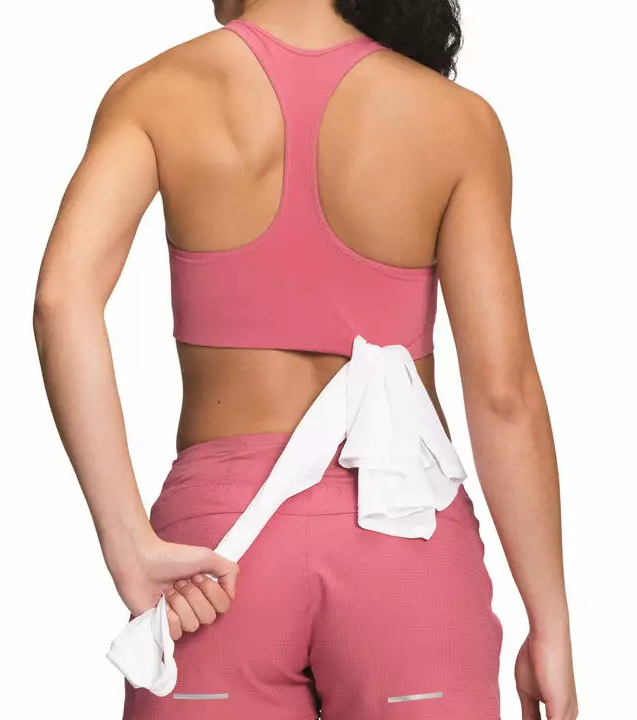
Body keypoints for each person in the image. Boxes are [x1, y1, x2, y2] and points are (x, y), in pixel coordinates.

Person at [33, 1, 578, 718]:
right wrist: (550, 623)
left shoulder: (157, 92)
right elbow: (503, 394)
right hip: (404, 537)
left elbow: (61, 298)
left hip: (218, 558)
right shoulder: (455, 121)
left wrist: (128, 541)